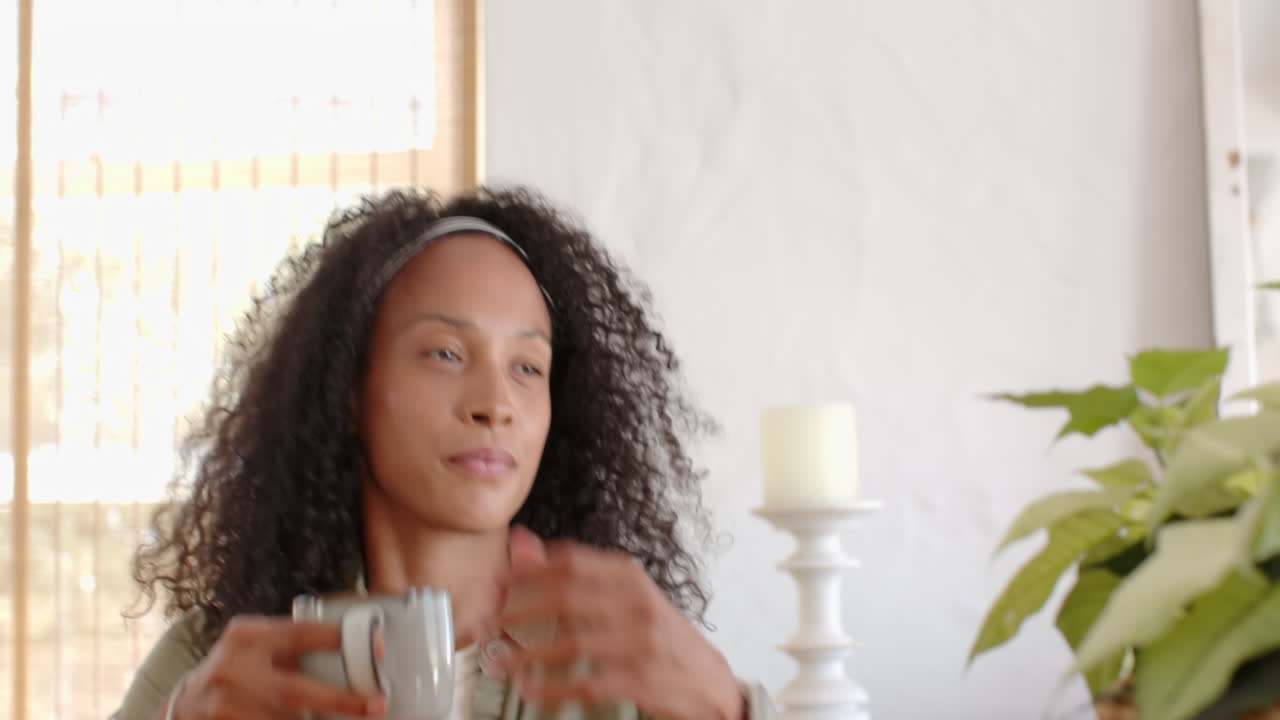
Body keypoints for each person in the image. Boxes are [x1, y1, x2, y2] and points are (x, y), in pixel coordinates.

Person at [111, 186, 774, 720]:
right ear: (349, 390)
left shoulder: (624, 663)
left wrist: (734, 709)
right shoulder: (227, 665)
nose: (495, 403)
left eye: (527, 367)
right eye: (446, 354)